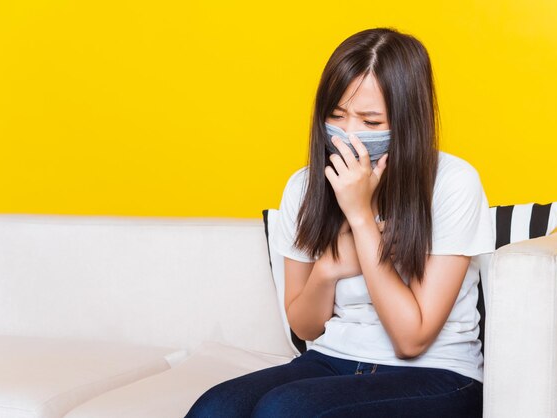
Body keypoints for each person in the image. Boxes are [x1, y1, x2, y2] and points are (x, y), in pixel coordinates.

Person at [185, 26, 495, 418]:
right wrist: (328, 270)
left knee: (284, 411)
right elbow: (306, 328)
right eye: (337, 115)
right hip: (332, 360)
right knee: (213, 409)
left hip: (438, 375)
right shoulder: (305, 186)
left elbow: (411, 339)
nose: (349, 134)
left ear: (408, 120)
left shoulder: (453, 183)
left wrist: (361, 217)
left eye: (370, 121)